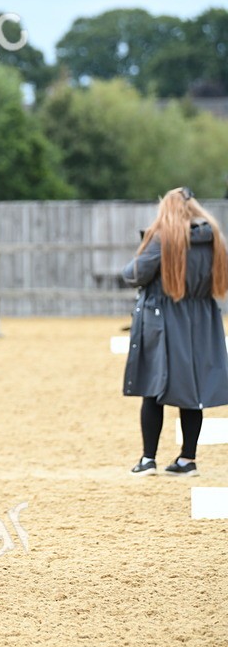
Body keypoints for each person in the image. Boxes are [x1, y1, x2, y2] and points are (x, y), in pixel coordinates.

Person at [123, 187, 228, 477]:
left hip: (165, 319)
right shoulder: (215, 240)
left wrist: (144, 244)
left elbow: (133, 274)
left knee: (153, 388)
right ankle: (187, 459)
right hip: (202, 319)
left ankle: (148, 459)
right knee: (193, 390)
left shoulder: (162, 239)